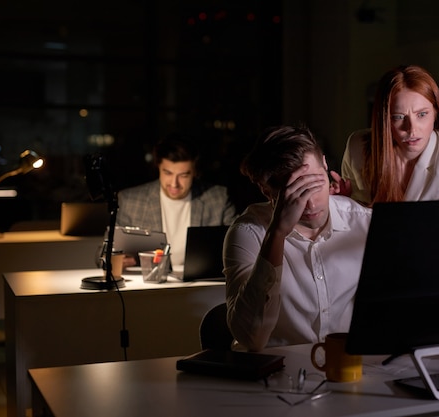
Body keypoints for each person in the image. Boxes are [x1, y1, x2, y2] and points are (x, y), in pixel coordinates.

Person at [224, 125, 372, 351]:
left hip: (346, 368)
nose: (311, 204)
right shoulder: (248, 232)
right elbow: (250, 338)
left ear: (324, 164)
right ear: (267, 191)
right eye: (295, 193)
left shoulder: (364, 223)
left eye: (315, 184)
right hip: (274, 373)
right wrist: (277, 233)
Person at [334, 64, 439, 206]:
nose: (411, 129)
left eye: (422, 114)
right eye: (398, 117)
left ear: (436, 112)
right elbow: (354, 217)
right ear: (384, 119)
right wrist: (339, 204)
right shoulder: (358, 146)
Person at [116, 133, 237, 267]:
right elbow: (102, 255)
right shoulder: (131, 201)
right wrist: (117, 259)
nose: (174, 184)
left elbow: (240, 247)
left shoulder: (218, 199)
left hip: (202, 283)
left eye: (183, 175)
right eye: (168, 173)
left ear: (195, 172)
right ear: (158, 167)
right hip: (148, 285)